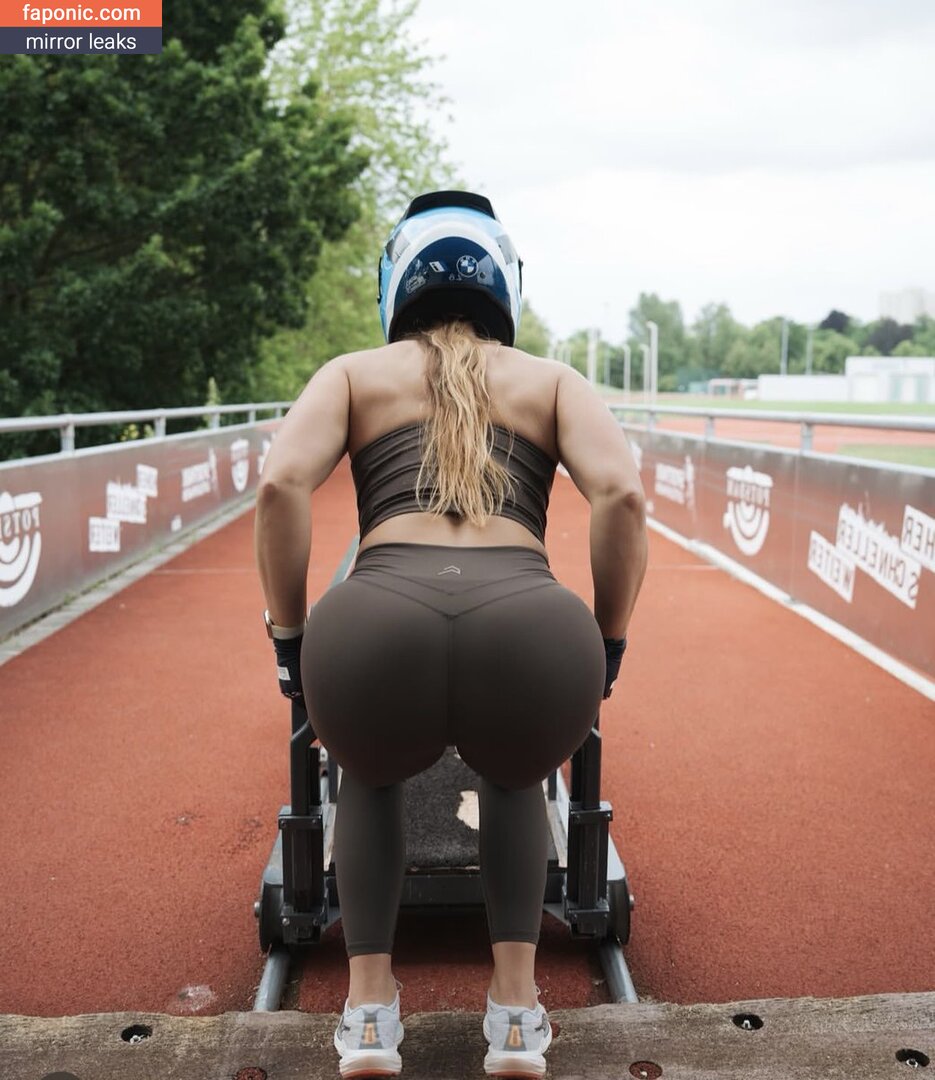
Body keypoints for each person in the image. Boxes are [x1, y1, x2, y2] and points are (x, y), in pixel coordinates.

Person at [254, 190, 647, 1078]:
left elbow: (280, 485)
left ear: (395, 285)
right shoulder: (552, 381)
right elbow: (621, 496)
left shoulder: (351, 374)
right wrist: (606, 639)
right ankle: (513, 1015)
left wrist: (290, 636)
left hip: (373, 620)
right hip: (531, 624)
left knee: (367, 781)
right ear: (504, 285)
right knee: (516, 781)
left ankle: (367, 1015)